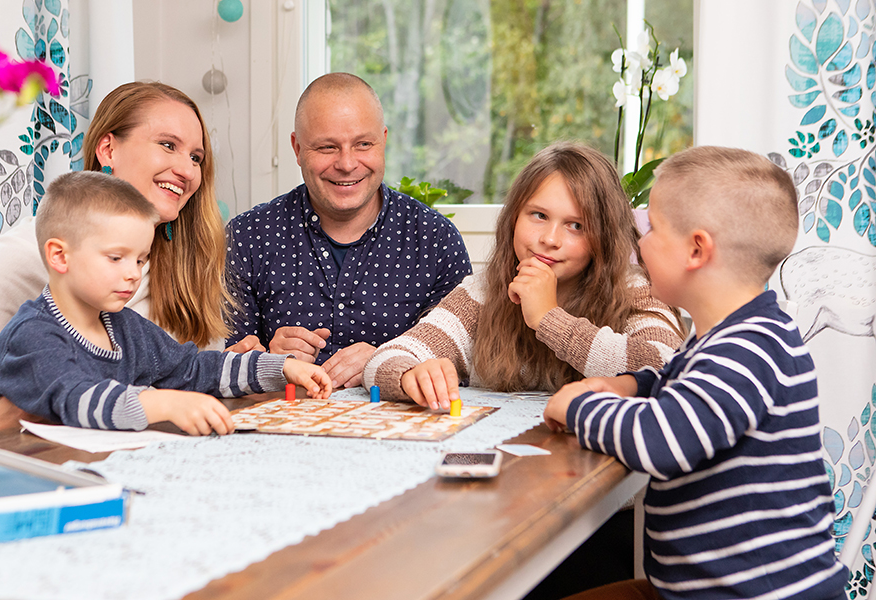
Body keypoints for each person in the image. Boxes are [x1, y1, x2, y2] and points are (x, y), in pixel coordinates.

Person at [543, 146, 848, 600]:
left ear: (696, 250)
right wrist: (632, 384)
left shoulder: (748, 350)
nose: (639, 242)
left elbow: (663, 440)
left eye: (651, 227)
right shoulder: (730, 336)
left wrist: (579, 406)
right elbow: (685, 386)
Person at [0, 81, 261, 442]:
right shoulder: (27, 255)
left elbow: (183, 372)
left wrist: (242, 368)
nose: (188, 171)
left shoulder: (189, 263)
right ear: (108, 150)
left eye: (196, 158)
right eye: (167, 145)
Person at [0, 171, 329, 434]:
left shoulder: (125, 327)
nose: (133, 273)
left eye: (141, 259)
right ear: (59, 256)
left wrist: (279, 368)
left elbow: (192, 368)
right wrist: (163, 402)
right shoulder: (34, 334)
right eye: (116, 258)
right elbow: (78, 398)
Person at [363, 141, 684, 408]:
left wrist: (549, 319)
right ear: (514, 217)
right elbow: (386, 358)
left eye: (576, 225)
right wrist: (410, 375)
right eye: (539, 215)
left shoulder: (635, 290)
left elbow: (669, 368)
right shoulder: (482, 292)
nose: (550, 239)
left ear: (604, 236)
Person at [225, 73, 472, 389]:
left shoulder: (436, 241)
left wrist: (388, 360)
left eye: (363, 144)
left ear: (383, 140)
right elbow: (230, 368)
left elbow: (460, 364)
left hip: (399, 420)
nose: (346, 163)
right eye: (327, 147)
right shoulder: (247, 237)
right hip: (285, 415)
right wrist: (269, 363)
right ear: (297, 148)